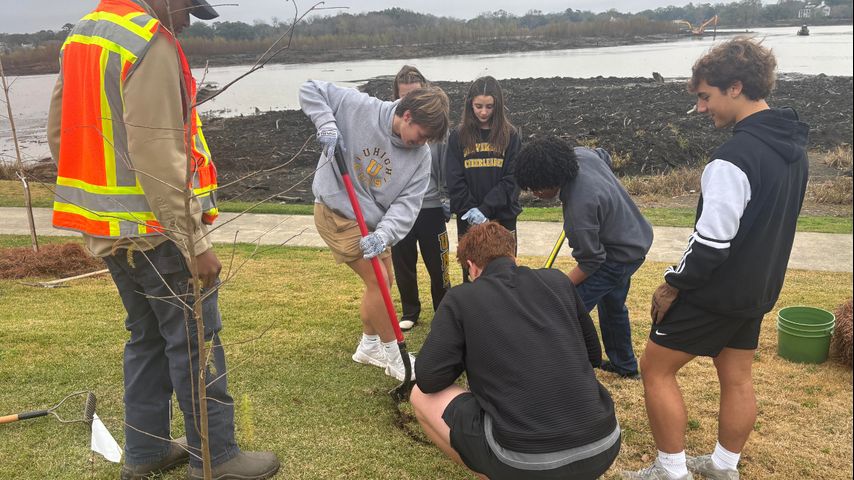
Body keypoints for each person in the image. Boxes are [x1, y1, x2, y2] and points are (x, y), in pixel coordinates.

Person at [47, 1, 280, 479]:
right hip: (159, 234)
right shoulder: (146, 40)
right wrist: (193, 240)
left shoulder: (84, 36)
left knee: (147, 337)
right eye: (187, 7)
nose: (188, 21)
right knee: (196, 341)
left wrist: (101, 205)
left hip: (113, 230)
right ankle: (217, 457)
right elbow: (156, 149)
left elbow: (59, 133)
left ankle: (147, 450)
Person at [623, 38, 809, 480]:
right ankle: (725, 466)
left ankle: (671, 471)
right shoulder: (795, 150)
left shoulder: (732, 159)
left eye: (706, 97)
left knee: (655, 368)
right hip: (757, 289)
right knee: (737, 376)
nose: (701, 108)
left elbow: (710, 243)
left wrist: (673, 283)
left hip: (715, 292)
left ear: (735, 87)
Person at [411, 222, 620, 480]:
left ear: (472, 267)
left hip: (523, 462)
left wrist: (467, 356)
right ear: (513, 255)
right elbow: (593, 355)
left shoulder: (461, 298)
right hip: (604, 445)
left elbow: (428, 379)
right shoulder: (558, 280)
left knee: (419, 396)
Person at [299, 79, 450, 381]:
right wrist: (326, 123)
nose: (422, 143)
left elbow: (407, 205)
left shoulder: (420, 157)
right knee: (378, 281)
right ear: (407, 116)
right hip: (336, 211)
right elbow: (311, 89)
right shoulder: (359, 107)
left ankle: (368, 345)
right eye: (421, 135)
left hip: (373, 225)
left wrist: (383, 234)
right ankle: (395, 356)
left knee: (385, 281)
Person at [515, 136, 653, 379]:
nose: (535, 193)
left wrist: (557, 287)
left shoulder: (579, 210)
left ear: (553, 179)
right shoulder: (582, 155)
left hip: (618, 257)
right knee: (613, 306)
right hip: (634, 238)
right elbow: (604, 155)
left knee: (565, 309)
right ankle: (626, 366)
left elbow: (591, 261)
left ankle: (548, 370)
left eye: (537, 188)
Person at [389, 65, 452, 331]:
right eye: (405, 96)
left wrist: (446, 201)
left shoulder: (437, 132)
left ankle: (445, 311)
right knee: (403, 263)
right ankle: (410, 311)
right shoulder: (391, 130)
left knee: (439, 265)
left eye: (415, 94)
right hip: (399, 210)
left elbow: (447, 167)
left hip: (431, 208)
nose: (410, 101)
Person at [445, 76, 522, 282]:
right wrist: (472, 210)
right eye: (478, 106)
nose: (484, 112)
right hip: (468, 217)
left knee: (506, 272)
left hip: (503, 216)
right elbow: (454, 178)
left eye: (489, 106)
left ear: (498, 105)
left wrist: (486, 209)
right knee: (472, 273)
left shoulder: (510, 135)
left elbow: (513, 178)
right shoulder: (458, 136)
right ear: (470, 104)